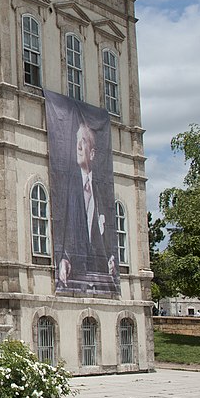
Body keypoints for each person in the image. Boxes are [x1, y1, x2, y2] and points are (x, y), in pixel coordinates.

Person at [55, 121, 117, 288]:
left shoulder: (102, 192)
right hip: (73, 275)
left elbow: (110, 235)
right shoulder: (67, 186)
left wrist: (112, 257)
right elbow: (60, 226)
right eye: (77, 141)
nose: (79, 147)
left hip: (99, 278)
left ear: (92, 153)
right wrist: (64, 258)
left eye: (83, 141)